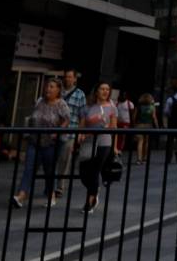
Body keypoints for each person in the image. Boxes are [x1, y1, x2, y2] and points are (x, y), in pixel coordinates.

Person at [14, 78, 68, 208]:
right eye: (47, 86)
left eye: (52, 87)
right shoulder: (40, 101)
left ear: (58, 90)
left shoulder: (61, 104)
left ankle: (51, 195)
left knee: (49, 171)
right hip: (35, 140)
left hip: (50, 143)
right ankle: (21, 195)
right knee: (29, 168)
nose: (48, 89)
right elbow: (33, 116)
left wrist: (58, 132)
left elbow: (66, 120)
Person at [77, 83, 120, 213]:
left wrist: (115, 147)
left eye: (107, 89)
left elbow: (114, 128)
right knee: (84, 173)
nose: (105, 91)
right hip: (88, 142)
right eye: (102, 89)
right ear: (96, 91)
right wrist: (80, 136)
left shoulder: (112, 108)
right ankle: (95, 189)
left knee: (95, 170)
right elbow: (81, 127)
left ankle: (90, 201)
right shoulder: (87, 108)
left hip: (104, 141)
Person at [60, 70, 87, 178]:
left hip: (71, 132)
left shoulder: (80, 94)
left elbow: (83, 116)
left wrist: (80, 133)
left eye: (70, 77)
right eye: (66, 77)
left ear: (75, 79)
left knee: (65, 160)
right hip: (55, 130)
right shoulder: (59, 91)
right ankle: (50, 186)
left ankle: (60, 186)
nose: (68, 79)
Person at [134, 92, 158, 162]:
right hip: (148, 125)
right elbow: (154, 117)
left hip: (139, 125)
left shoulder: (138, 106)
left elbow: (134, 116)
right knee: (147, 141)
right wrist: (157, 126)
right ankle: (145, 158)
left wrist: (134, 124)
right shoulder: (152, 106)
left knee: (140, 142)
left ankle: (139, 158)